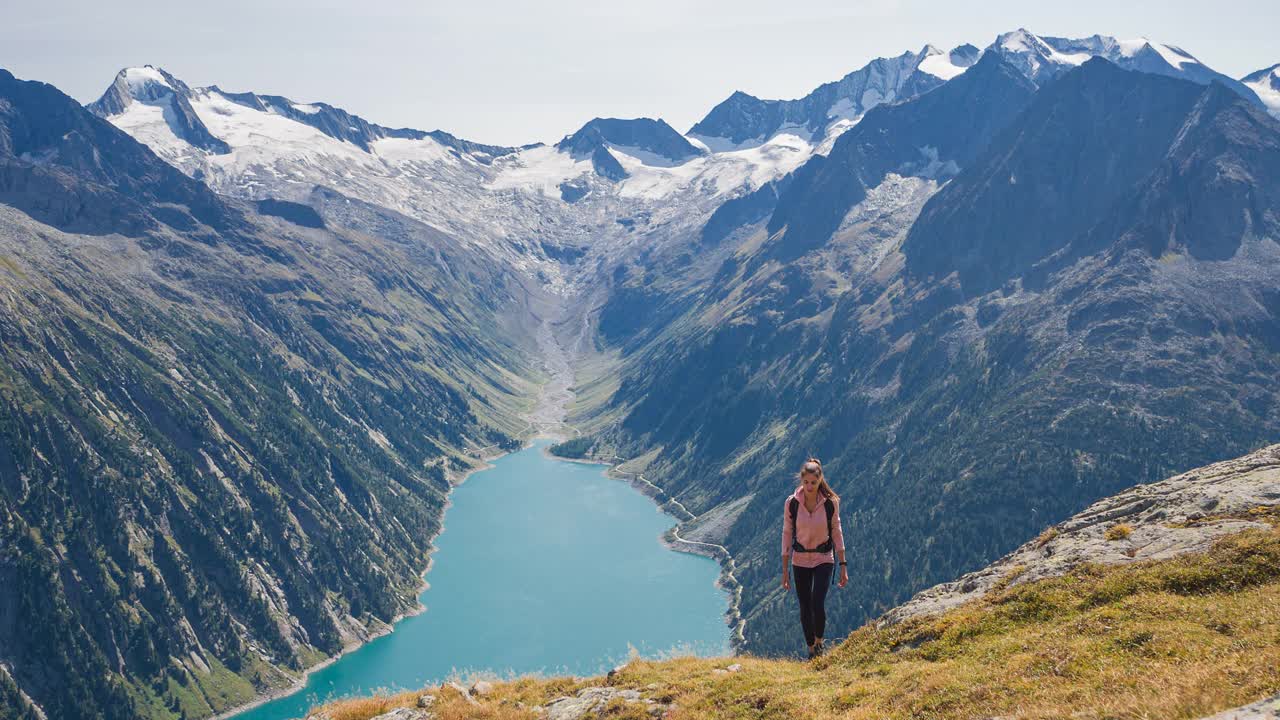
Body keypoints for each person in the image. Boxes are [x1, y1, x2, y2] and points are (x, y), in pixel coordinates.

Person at [781, 457, 847, 659]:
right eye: (806, 482)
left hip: (823, 558)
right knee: (804, 605)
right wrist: (785, 570)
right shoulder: (792, 503)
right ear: (801, 480)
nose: (809, 486)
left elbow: (837, 531)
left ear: (820, 481)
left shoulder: (830, 503)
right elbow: (786, 533)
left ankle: (819, 641)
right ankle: (811, 648)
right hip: (799, 560)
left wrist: (843, 564)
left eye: (814, 482)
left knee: (817, 602)